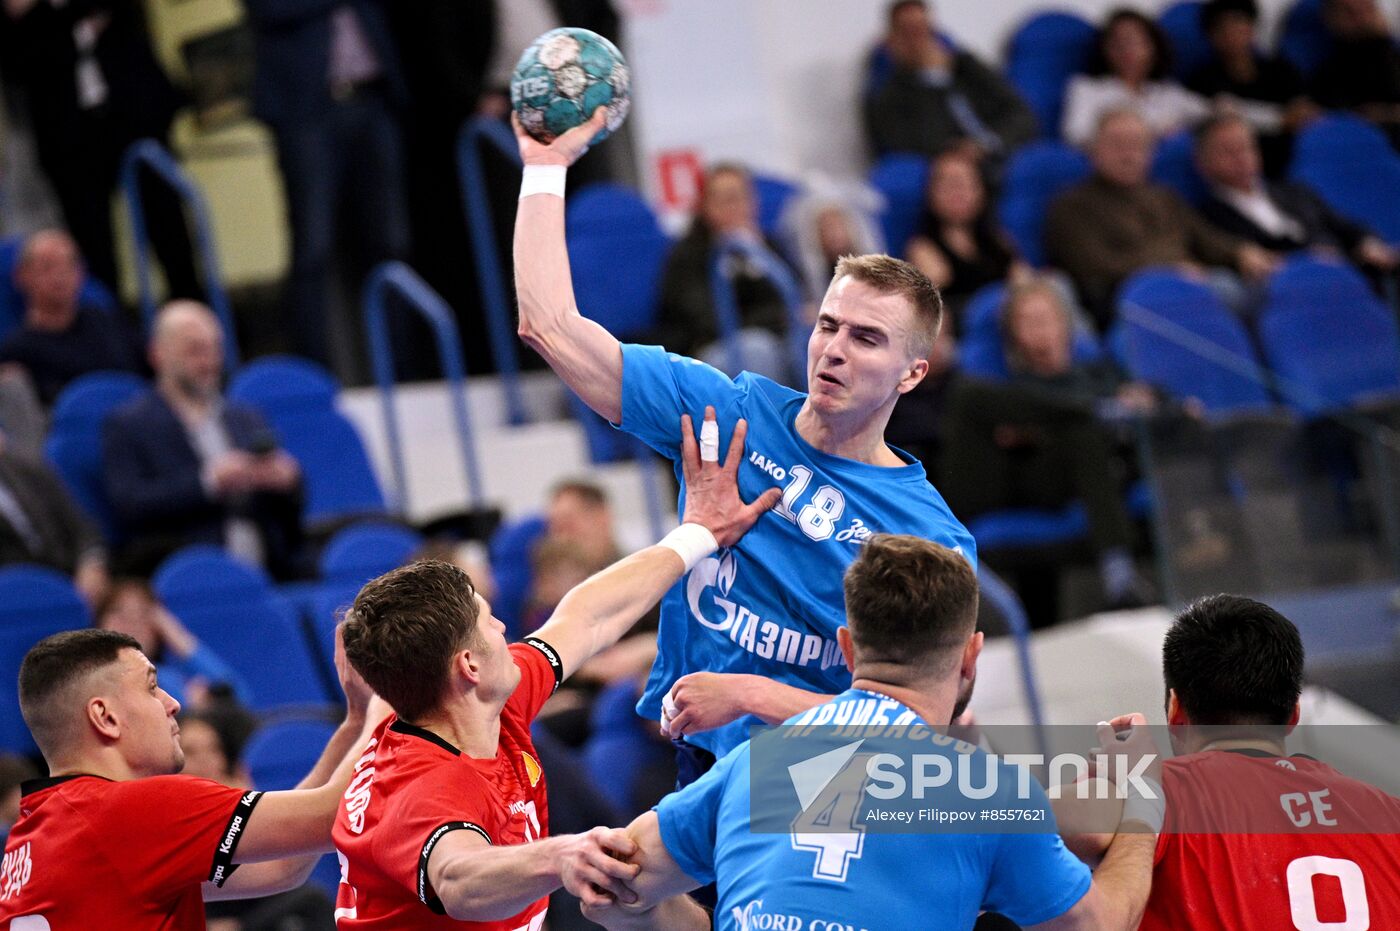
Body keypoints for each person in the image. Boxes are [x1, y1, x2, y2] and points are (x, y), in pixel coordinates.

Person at [513, 110, 977, 782]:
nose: (835, 352)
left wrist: (750, 696)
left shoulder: (929, 535)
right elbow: (549, 325)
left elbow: (917, 729)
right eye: (828, 326)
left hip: (833, 791)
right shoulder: (731, 414)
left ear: (913, 372)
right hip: (704, 765)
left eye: (867, 338)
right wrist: (544, 168)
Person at [330, 409, 781, 928]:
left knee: (650, 875)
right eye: (489, 620)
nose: (506, 629)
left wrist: (697, 534)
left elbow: (587, 616)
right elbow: (458, 879)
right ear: (469, 666)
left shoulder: (483, 700)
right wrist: (558, 856)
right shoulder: (420, 784)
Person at [570, 535, 1160, 931]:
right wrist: (1138, 810)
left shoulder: (751, 764)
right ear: (971, 656)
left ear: (848, 648)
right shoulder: (987, 793)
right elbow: (1097, 921)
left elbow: (613, 884)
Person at [0, 626, 385, 926]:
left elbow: (280, 866)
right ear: (105, 717)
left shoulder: (35, 835)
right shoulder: (131, 812)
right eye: (152, 688)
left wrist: (355, 724)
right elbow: (333, 813)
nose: (173, 703)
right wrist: (395, 696)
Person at [1058, 594, 1400, 928]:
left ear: (1175, 711)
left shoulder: (1161, 790)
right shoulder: (1387, 812)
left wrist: (1124, 785)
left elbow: (1049, 821)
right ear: (1293, 714)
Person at [940, 280, 1156, 611]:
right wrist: (1103, 410)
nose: (1040, 330)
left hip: (1117, 469)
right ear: (1013, 336)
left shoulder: (1098, 373)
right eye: (1028, 322)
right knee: (1081, 432)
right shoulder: (1013, 387)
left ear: (1065, 323)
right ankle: (1119, 575)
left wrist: (1152, 402)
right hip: (1045, 480)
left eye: (1047, 318)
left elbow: (1148, 396)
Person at [243, 0, 411, 377]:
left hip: (372, 99)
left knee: (390, 243)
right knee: (313, 248)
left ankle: (402, 368)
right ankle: (314, 372)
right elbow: (268, 11)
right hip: (307, 112)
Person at [2, 0, 200, 302]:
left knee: (170, 233)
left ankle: (191, 322)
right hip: (69, 134)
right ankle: (109, 335)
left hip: (135, 116)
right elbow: (20, 59)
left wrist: (54, 18)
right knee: (95, 251)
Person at [102, 301, 308, 579]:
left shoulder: (245, 417)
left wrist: (288, 481)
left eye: (215, 348)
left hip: (270, 571)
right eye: (195, 350)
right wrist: (208, 482)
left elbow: (289, 517)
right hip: (186, 575)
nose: (209, 361)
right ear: (157, 355)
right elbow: (131, 506)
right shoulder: (128, 424)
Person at [1044, 108, 1278, 326]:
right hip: (1132, 300)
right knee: (1229, 291)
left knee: (1271, 284)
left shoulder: (1164, 197)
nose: (1129, 154)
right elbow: (1093, 267)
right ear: (1094, 150)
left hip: (1191, 285)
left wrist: (1241, 252)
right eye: (1117, 145)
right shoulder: (1071, 206)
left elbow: (1206, 238)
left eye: (1137, 145)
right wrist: (1167, 270)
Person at [1194, 114, 1400, 277]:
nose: (1240, 158)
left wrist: (1367, 243)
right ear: (1202, 164)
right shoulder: (1206, 217)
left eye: (1246, 147)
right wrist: (1307, 262)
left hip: (1347, 270)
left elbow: (1344, 225)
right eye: (1228, 151)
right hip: (1293, 288)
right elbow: (1245, 262)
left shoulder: (1294, 191)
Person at [655, 163, 796, 383]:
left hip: (773, 337)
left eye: (740, 198)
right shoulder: (688, 255)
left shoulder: (768, 244)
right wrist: (777, 319)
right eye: (724, 200)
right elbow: (709, 321)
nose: (735, 207)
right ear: (705, 206)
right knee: (756, 350)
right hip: (709, 349)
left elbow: (797, 301)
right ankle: (763, 418)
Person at [863, 0, 1037, 163]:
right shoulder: (888, 91)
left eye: (924, 30)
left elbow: (1022, 115)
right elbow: (918, 145)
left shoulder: (965, 65)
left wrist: (988, 144)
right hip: (952, 169)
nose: (919, 42)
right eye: (910, 33)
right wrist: (932, 80)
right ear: (893, 41)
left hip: (1000, 150)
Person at [0, 229, 138, 406]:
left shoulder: (105, 320)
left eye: (69, 264)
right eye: (47, 267)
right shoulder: (16, 351)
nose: (60, 275)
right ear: (21, 276)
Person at [1185, 0, 1317, 175]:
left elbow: (1302, 112)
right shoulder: (1201, 79)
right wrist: (1280, 120)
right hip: (1238, 160)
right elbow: (1221, 118)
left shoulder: (1280, 68)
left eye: (1238, 23)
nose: (1231, 33)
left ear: (1252, 28)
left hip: (1291, 152)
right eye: (1222, 28)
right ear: (1210, 36)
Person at [905, 148, 1029, 326]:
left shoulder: (998, 239)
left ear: (981, 191)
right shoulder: (922, 247)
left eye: (964, 183)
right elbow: (930, 310)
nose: (957, 193)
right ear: (931, 193)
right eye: (948, 184)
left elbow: (1028, 285)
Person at [1062, 9, 1211, 148]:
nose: (1127, 50)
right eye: (1117, 43)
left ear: (1154, 48)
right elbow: (1076, 135)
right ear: (1104, 49)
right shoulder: (1088, 89)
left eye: (1135, 42)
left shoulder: (1168, 93)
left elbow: (1213, 115)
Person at [96, 578, 251, 708]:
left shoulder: (168, 679)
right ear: (100, 623)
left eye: (143, 614)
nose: (132, 623)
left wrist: (176, 635)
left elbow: (236, 697)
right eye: (119, 612)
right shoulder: (87, 676)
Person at [0, 432, 109, 604]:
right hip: (15, 602)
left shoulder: (26, 469)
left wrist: (91, 563)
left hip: (73, 580)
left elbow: (81, 528)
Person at [1312, 0, 1400, 149]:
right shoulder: (1326, 73)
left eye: (1367, 10)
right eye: (1350, 13)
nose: (1362, 19)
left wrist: (1388, 114)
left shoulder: (1393, 59)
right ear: (1331, 19)